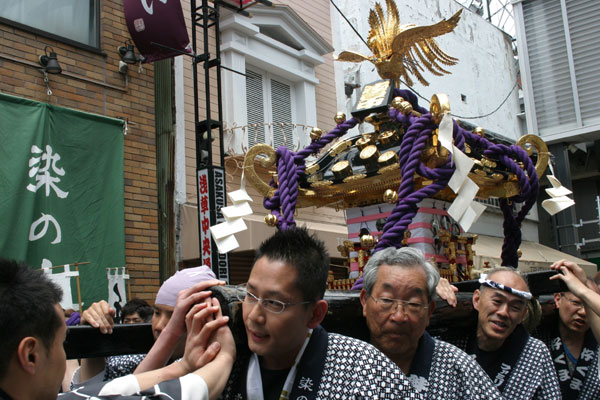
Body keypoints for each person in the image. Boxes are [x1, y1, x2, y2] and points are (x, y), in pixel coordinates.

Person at [217, 227, 421, 399]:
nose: (254, 316)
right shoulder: (222, 361)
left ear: (315, 314)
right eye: (251, 295)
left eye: (274, 303)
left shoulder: (367, 371)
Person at [0, 258, 235, 400]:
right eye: (63, 344)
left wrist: (184, 365)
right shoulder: (124, 361)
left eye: (174, 316)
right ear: (30, 355)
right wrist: (225, 356)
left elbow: (112, 391)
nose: (162, 325)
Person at [359, 246, 502, 398]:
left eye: (413, 304)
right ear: (365, 302)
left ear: (429, 311)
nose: (399, 316)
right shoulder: (346, 365)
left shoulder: (458, 367)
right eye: (387, 300)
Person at [73, 266, 224, 385]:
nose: (159, 326)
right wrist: (91, 333)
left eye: (174, 317)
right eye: (157, 313)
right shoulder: (130, 361)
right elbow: (87, 391)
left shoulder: (217, 370)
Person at [445, 267, 561, 399]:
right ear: (477, 300)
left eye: (515, 307)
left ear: (523, 315)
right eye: (497, 301)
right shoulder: (450, 341)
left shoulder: (535, 352)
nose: (503, 312)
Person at [546, 259, 600, 399]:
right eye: (576, 302)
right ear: (557, 299)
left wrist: (584, 288)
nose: (583, 312)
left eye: (589, 305)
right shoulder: (538, 337)